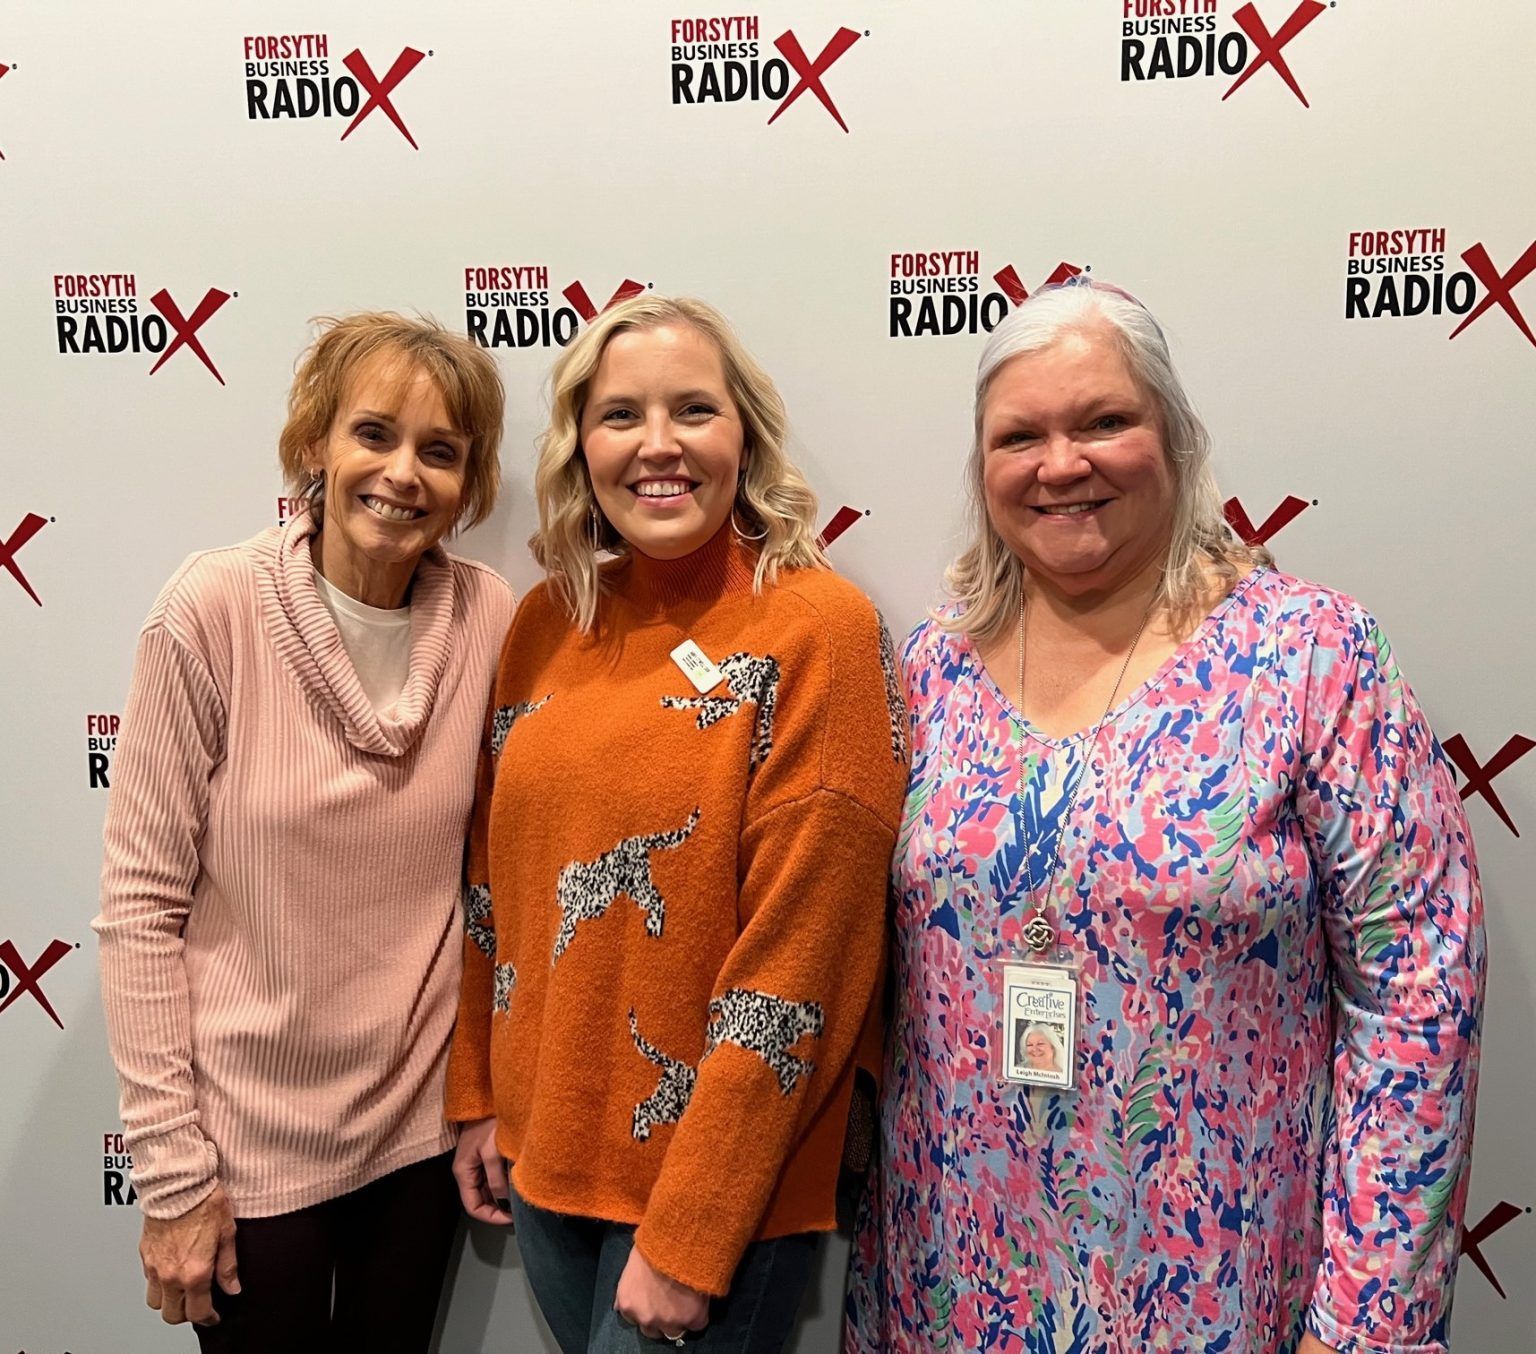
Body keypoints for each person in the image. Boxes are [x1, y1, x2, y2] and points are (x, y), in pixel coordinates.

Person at [845, 280, 1485, 1354]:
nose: (1061, 463)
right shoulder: (932, 669)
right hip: (952, 1277)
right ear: (982, 469)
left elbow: (1419, 987)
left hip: (1213, 1284)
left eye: (1103, 420)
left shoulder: (1309, 653)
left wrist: (1369, 1317)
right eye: (1020, 436)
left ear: (1177, 441)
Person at [447, 295, 908, 1352]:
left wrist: (696, 1229)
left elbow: (808, 959)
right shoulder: (546, 622)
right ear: (581, 446)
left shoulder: (817, 629)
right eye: (620, 416)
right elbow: (496, 883)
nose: (658, 445)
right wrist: (477, 1086)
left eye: (693, 409)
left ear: (743, 434)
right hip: (547, 1165)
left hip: (715, 1200)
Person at [93, 313, 514, 1352]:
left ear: (471, 482)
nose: (402, 472)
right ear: (316, 445)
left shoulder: (493, 616)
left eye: (441, 451)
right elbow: (141, 909)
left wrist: (485, 1094)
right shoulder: (213, 610)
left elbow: (501, 876)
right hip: (245, 1149)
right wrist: (172, 1174)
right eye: (374, 433)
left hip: (417, 1141)